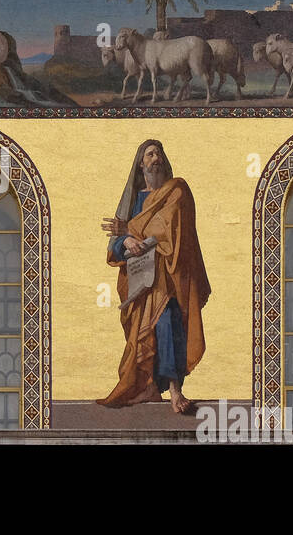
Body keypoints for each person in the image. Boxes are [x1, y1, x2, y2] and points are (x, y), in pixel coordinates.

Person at [97, 140, 211, 412]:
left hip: (168, 276)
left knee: (168, 323)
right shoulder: (132, 200)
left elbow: (169, 229)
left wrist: (130, 231)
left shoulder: (176, 191)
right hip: (139, 282)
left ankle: (174, 390)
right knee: (141, 337)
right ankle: (147, 386)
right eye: (149, 154)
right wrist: (125, 241)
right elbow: (114, 245)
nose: (155, 158)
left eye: (159, 153)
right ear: (140, 163)